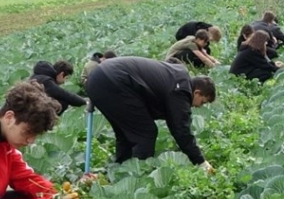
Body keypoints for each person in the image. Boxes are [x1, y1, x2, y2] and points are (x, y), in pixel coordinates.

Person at [86, 56, 216, 170]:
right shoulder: (181, 90)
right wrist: (200, 161)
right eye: (202, 102)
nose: (199, 107)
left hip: (99, 77)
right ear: (197, 92)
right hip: (114, 81)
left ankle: (121, 170)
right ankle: (138, 175)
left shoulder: (176, 76)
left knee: (126, 133)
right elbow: (180, 129)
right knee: (146, 133)